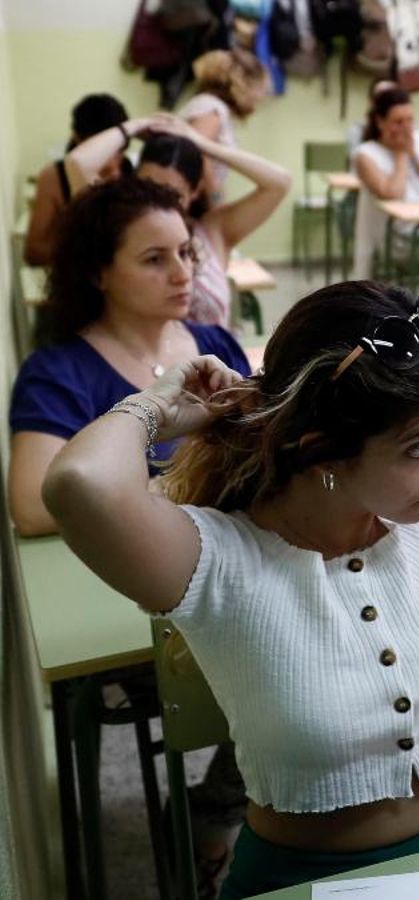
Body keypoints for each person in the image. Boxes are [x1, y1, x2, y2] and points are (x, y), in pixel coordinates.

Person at [41, 275, 419, 899]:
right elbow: (77, 484)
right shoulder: (217, 560)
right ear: (323, 453)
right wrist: (158, 406)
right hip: (308, 882)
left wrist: (384, 356)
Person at [8, 177, 254, 893]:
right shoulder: (61, 370)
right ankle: (231, 818)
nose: (185, 273)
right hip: (139, 606)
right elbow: (30, 501)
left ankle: (228, 810)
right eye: (155, 259)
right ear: (98, 272)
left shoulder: (211, 342)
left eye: (186, 252)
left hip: (227, 579)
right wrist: (167, 486)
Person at [68, 113, 291, 327]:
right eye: (147, 186)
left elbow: (280, 182)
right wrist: (136, 126)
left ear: (194, 192)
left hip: (210, 360)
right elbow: (78, 163)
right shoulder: (115, 225)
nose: (156, 201)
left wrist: (200, 142)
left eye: (172, 195)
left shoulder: (213, 230)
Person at [351, 87, 419, 281]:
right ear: (380, 123)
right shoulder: (365, 155)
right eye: (398, 122)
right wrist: (401, 154)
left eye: (410, 120)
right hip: (397, 239)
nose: (407, 128)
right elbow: (393, 194)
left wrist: (416, 154)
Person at [23, 93, 132, 267]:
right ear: (77, 140)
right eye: (99, 149)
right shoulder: (54, 177)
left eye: (117, 149)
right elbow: (33, 251)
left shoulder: (132, 171)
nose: (110, 160)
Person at [178, 48, 271, 202]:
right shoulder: (212, 109)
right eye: (260, 88)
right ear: (243, 84)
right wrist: (215, 199)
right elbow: (196, 154)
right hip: (193, 201)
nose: (261, 96)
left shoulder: (212, 106)